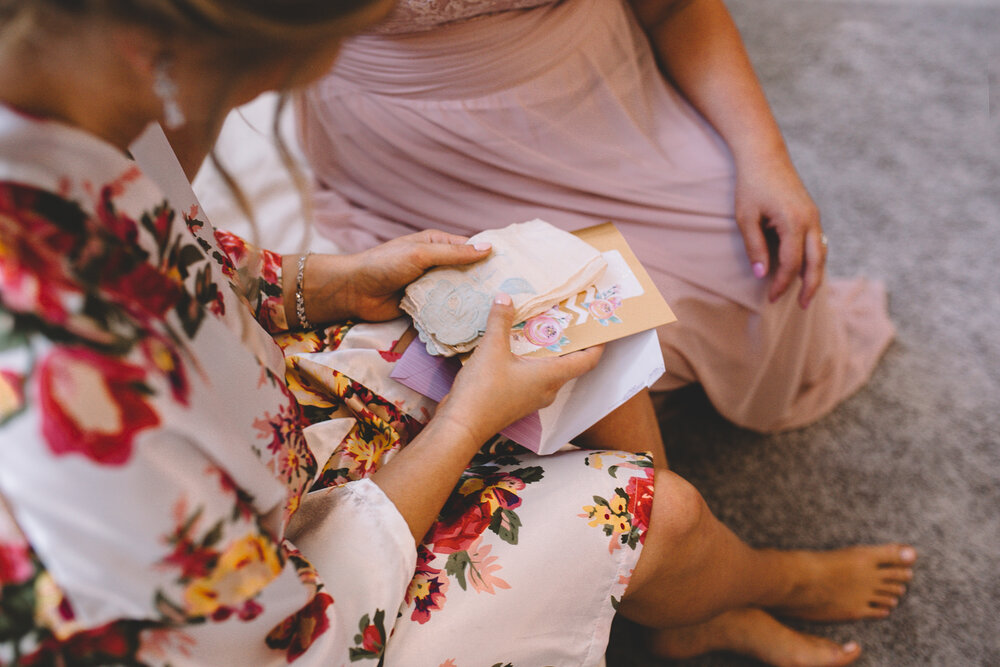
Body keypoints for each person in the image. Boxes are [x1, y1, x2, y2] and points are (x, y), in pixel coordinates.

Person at [0, 1, 916, 665]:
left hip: (257, 442)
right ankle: (743, 577)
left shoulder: (85, 103)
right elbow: (282, 643)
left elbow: (176, 251)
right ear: (159, 54)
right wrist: (461, 426)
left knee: (564, 289)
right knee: (655, 508)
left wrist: (325, 284)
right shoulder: (62, 377)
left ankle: (677, 600)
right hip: (289, 615)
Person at [295, 0, 897, 433]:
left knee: (764, 273)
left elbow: (673, 7)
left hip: (590, 90)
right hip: (406, 137)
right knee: (512, 334)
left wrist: (766, 156)